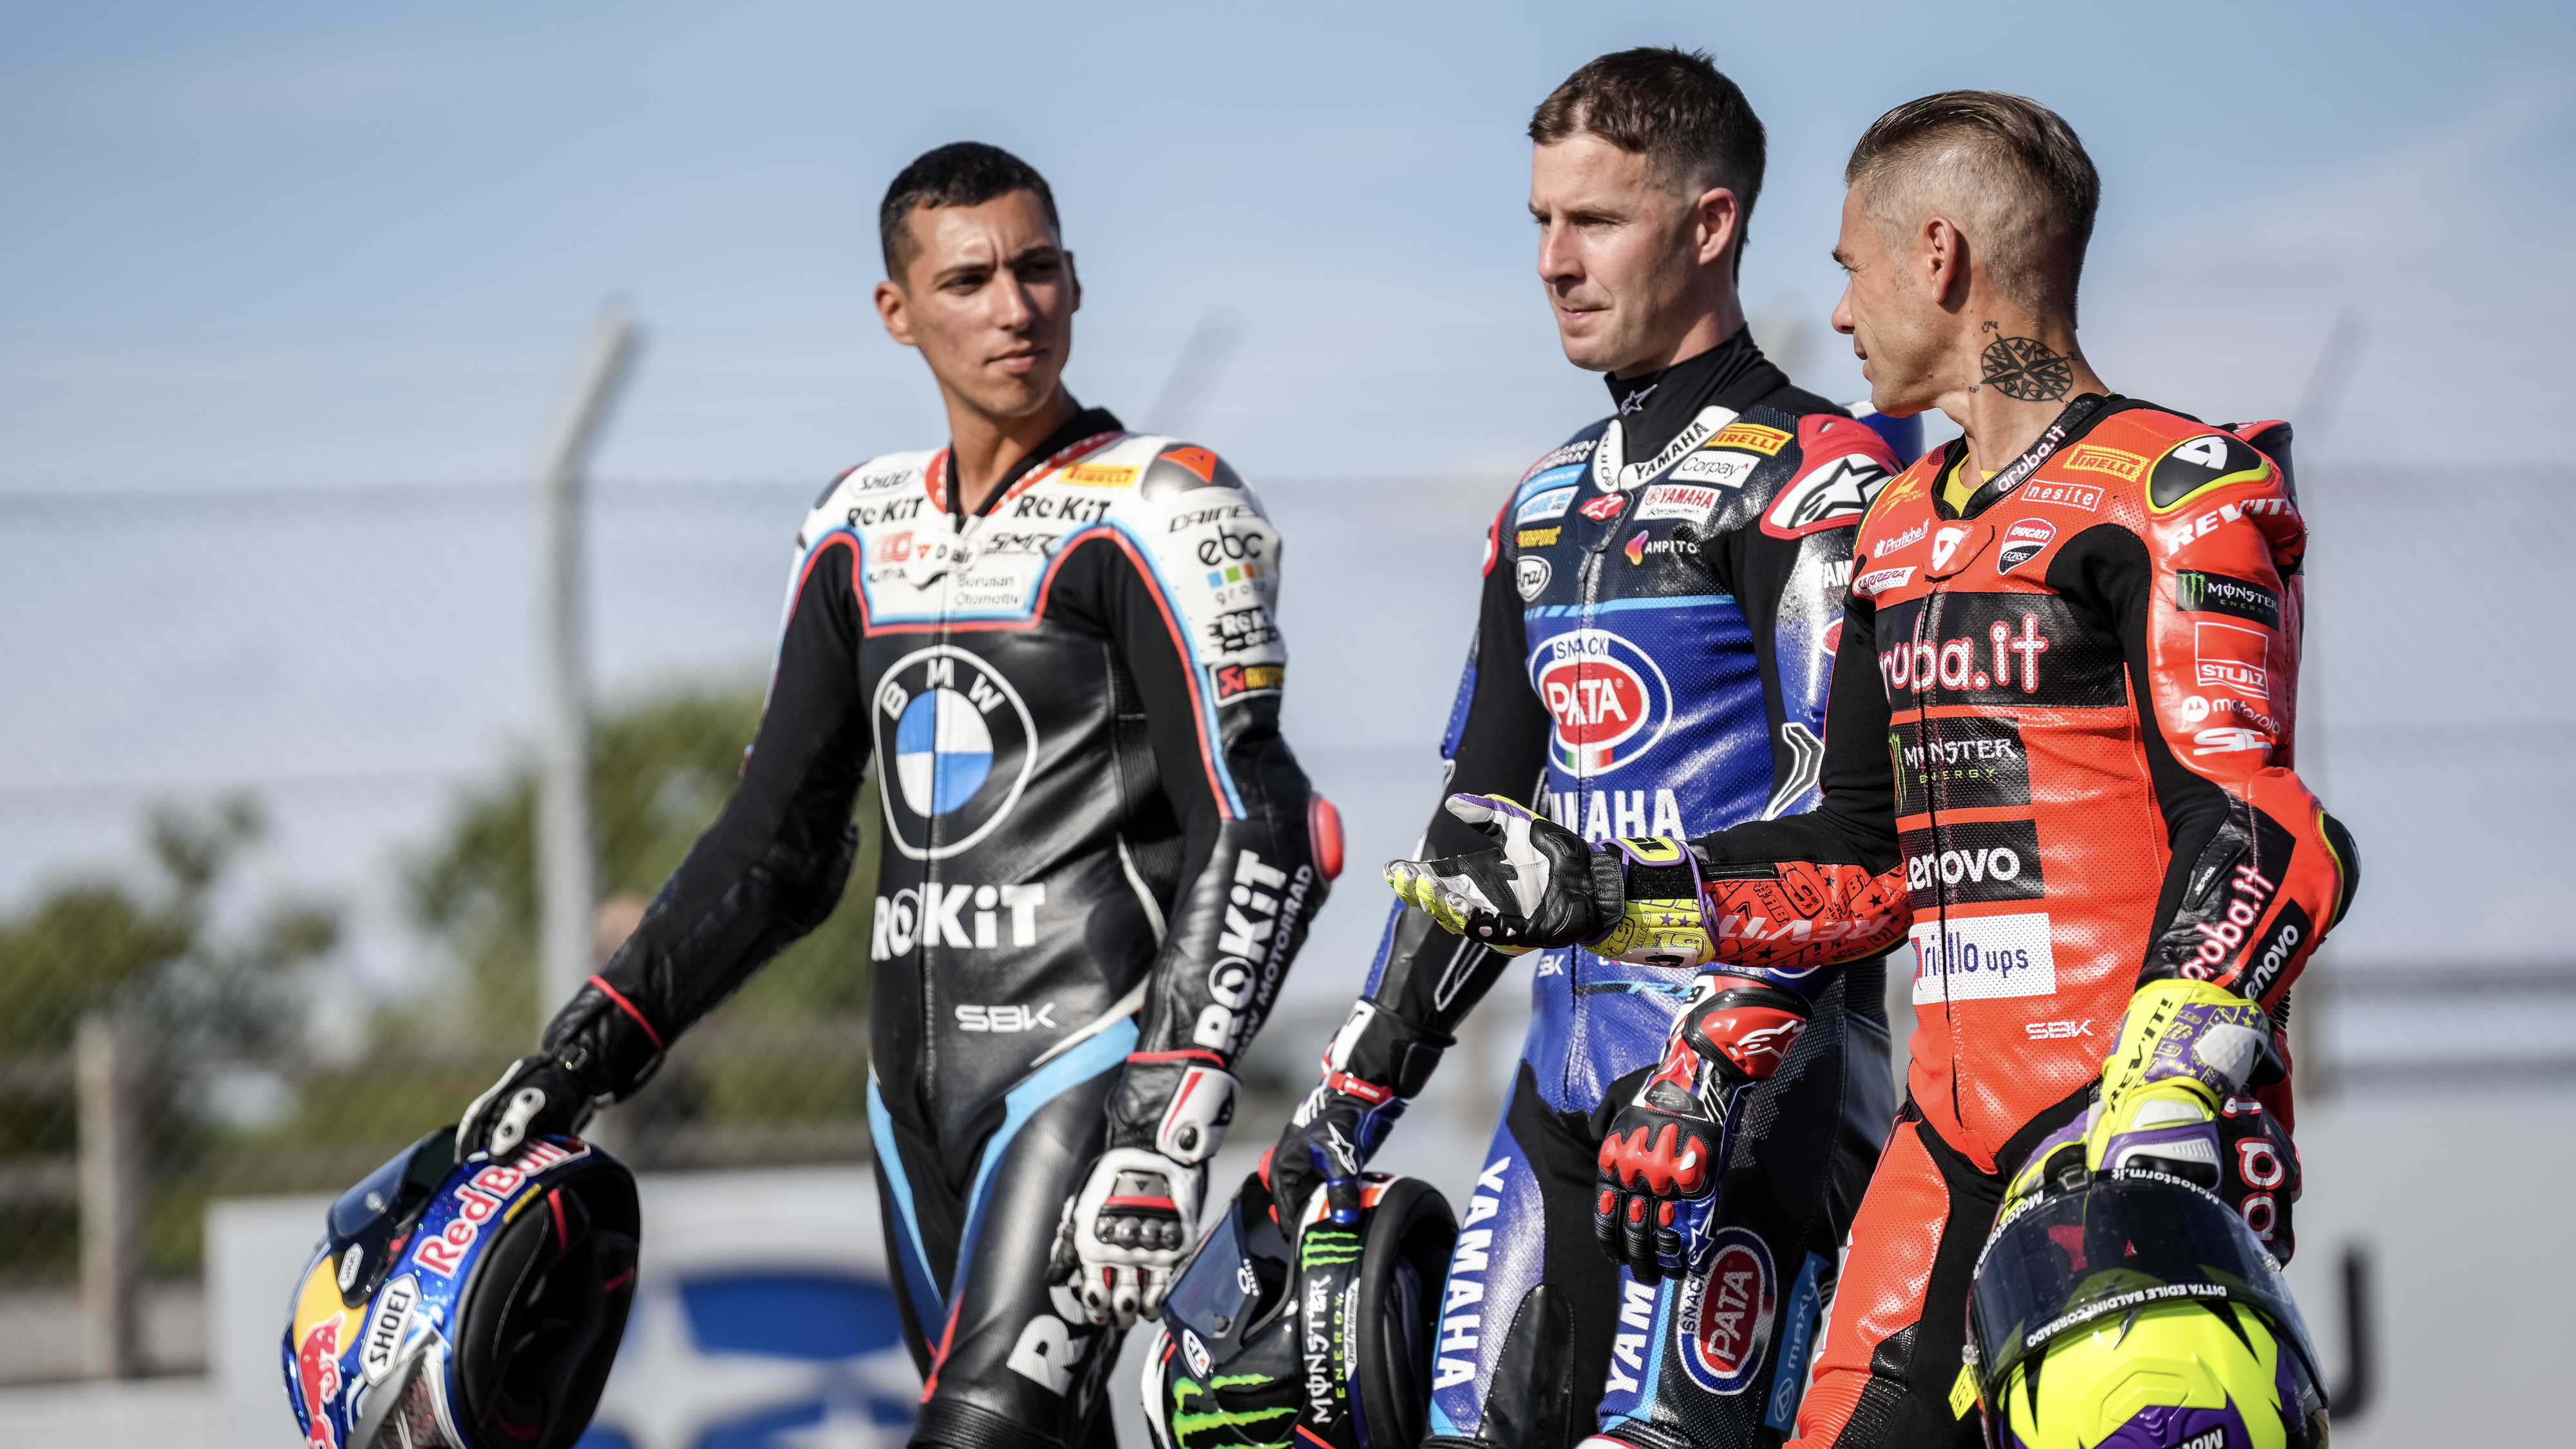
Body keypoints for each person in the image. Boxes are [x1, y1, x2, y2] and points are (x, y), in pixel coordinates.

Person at [1382, 92, 2358, 1448]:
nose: (1837, 313)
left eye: (1852, 268)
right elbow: (1857, 866)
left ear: (1939, 257)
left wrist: (2176, 1084)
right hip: (1941, 1147)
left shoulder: (2173, 491)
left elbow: (2266, 830)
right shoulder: (1895, 525)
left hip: (2125, 1132)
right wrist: (1609, 891)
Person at [452, 142, 1338, 1449]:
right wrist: (579, 1056)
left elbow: (1264, 823)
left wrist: (1166, 1109)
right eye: (968, 280)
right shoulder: (856, 527)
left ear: (1077, 279)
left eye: (1038, 269)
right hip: (908, 1105)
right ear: (897, 310)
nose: (1014, 308)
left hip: (1087, 1073)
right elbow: (775, 848)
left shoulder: (1159, 504)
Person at [1262, 49, 1904, 1449]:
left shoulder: (1816, 478)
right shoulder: (1541, 501)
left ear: (1711, 223)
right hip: (1554, 1091)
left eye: (1597, 220)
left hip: (1749, 1095)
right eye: (1542, 221)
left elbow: (1849, 838)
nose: (1555, 260)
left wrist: (1713, 1065)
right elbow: (1472, 842)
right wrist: (1345, 1103)